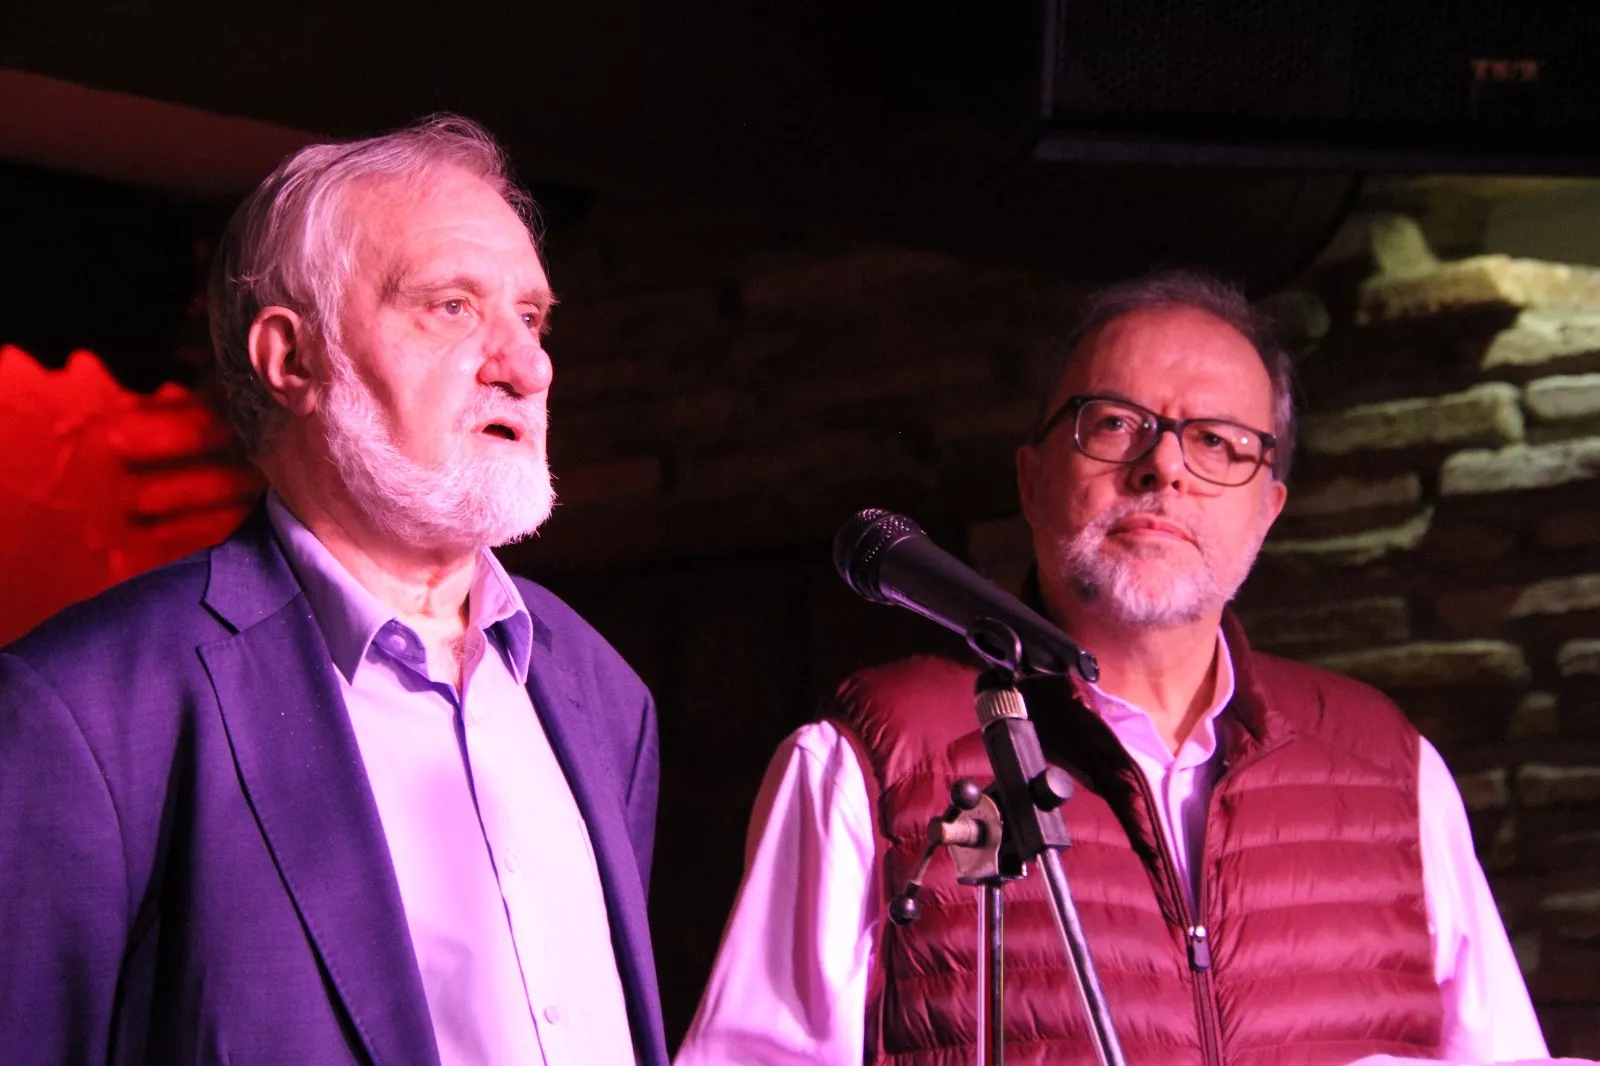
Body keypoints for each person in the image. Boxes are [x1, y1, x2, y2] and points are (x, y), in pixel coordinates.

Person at [674, 271, 1559, 1066]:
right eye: (1115, 424)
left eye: (1218, 443)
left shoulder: (1389, 767)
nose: (1163, 465)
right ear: (1030, 480)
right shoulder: (872, 757)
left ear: (1268, 510)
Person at [0, 115, 667, 1066]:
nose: (528, 367)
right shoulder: (87, 712)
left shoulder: (604, 695)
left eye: (530, 317)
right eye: (452, 307)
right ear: (293, 360)